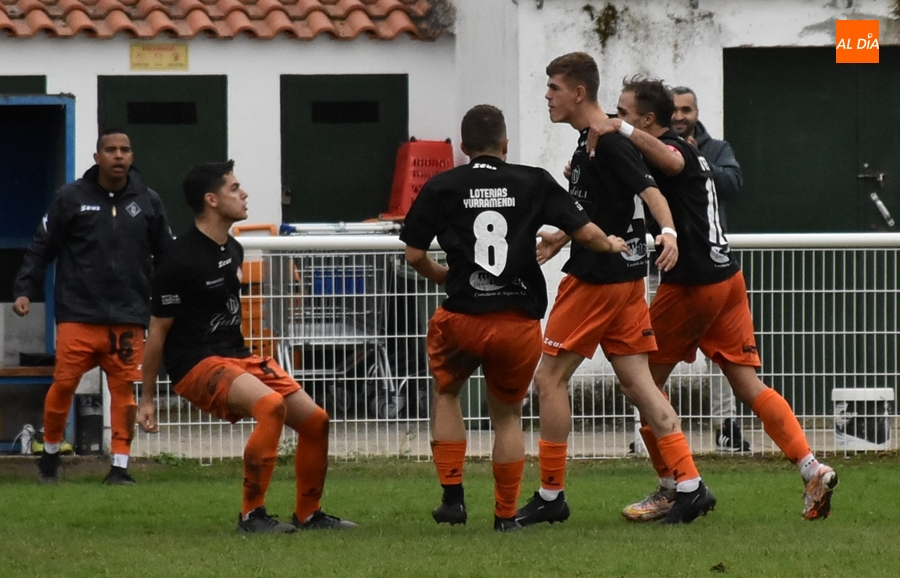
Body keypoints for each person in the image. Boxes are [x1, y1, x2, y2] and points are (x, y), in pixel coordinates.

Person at [588, 76, 838, 522]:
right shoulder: (690, 151)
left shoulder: (676, 150)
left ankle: (672, 487)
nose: (615, 118)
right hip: (727, 279)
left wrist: (617, 130)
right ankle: (811, 468)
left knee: (644, 388)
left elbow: (666, 160)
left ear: (647, 120)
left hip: (693, 286)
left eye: (623, 112)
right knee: (748, 385)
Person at [400, 104, 629, 532]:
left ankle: (452, 498)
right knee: (506, 416)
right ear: (506, 145)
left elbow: (413, 254)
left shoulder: (443, 185)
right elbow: (586, 232)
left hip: (461, 315)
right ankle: (505, 516)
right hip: (516, 320)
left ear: (464, 147)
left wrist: (442, 275)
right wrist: (612, 245)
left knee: (448, 394)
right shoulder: (533, 181)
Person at [517, 52, 715, 526]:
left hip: (597, 280)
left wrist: (666, 232)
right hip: (623, 281)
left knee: (549, 380)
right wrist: (561, 235)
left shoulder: (607, 139)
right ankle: (689, 486)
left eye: (554, 88)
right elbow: (600, 210)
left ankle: (550, 495)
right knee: (638, 384)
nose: (547, 96)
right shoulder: (591, 138)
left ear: (579, 92)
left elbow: (652, 192)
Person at [136, 160, 355, 533]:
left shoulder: (233, 249)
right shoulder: (178, 260)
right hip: (196, 363)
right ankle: (252, 516)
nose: (244, 194)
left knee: (316, 421)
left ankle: (308, 514)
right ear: (212, 200)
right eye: (234, 188)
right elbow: (156, 334)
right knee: (271, 407)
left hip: (236, 355)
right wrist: (147, 397)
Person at [12, 129, 173, 485]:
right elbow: (42, 247)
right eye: (111, 150)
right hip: (78, 315)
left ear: (132, 156)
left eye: (125, 150)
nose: (119, 156)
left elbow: (167, 257)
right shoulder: (71, 198)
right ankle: (50, 455)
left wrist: (174, 299)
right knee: (63, 386)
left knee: (123, 394)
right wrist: (25, 289)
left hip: (129, 317)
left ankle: (119, 467)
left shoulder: (148, 201)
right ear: (97, 157)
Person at [671, 85, 747, 451]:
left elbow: (733, 183)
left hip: (711, 265)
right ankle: (653, 428)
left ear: (697, 112)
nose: (681, 116)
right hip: (665, 264)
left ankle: (726, 427)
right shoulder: (654, 150)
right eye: (675, 109)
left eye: (687, 109)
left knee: (722, 356)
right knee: (655, 354)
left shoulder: (716, 149)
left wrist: (698, 165)